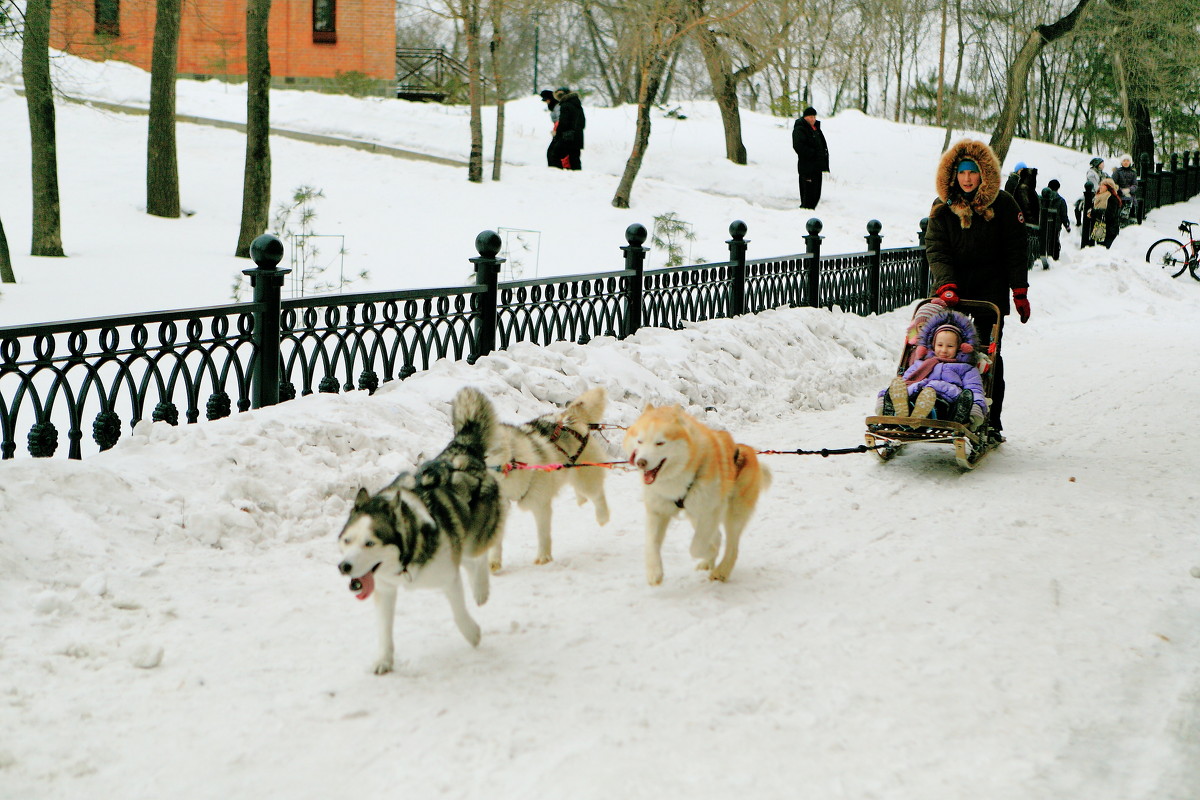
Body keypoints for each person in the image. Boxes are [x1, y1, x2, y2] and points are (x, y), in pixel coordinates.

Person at [923, 138, 1030, 444]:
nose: (967, 179)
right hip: (951, 289)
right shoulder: (942, 208)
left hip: (989, 290)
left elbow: (1015, 248)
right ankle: (935, 405)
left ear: (983, 174)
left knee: (986, 355)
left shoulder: (1004, 205)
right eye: (962, 173)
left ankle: (989, 419)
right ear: (953, 175)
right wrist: (945, 284)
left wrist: (1019, 290)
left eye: (973, 173)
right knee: (941, 347)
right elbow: (936, 248)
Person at [877, 310, 987, 427]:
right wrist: (883, 398)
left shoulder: (965, 368)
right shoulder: (921, 364)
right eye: (940, 345)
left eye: (950, 346)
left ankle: (919, 418)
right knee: (902, 389)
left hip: (947, 399)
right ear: (932, 345)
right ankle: (902, 412)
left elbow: (974, 389)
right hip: (918, 393)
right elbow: (905, 382)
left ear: (960, 347)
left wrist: (976, 407)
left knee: (946, 404)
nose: (944, 350)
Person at [791, 106, 829, 210]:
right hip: (807, 167)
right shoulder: (800, 129)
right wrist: (812, 154)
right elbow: (798, 146)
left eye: (814, 117)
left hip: (817, 167)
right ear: (805, 118)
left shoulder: (816, 129)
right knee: (808, 193)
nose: (813, 119)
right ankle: (805, 212)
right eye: (810, 117)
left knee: (816, 193)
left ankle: (811, 211)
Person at [552, 86, 585, 170]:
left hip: (567, 136)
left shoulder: (565, 105)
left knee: (554, 155)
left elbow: (563, 123)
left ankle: (557, 174)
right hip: (578, 136)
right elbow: (583, 122)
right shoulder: (577, 104)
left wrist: (558, 135)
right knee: (575, 158)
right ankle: (577, 177)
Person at [1089, 177, 1122, 249]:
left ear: (1108, 187)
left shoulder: (1112, 198)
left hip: (1109, 229)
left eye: (1102, 185)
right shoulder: (1098, 197)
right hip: (1099, 227)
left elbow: (1110, 214)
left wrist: (1093, 212)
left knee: (1103, 249)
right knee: (1100, 249)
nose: (1100, 186)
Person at [1046, 179, 1071, 259]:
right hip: (1055, 226)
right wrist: (1067, 226)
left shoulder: (1043, 198)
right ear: (1058, 188)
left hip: (1044, 224)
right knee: (1054, 241)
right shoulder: (1061, 200)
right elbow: (1064, 215)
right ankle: (1054, 257)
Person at [539, 89, 561, 169]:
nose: (547, 103)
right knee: (552, 152)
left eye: (547, 100)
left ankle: (555, 169)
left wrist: (556, 130)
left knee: (552, 153)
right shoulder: (554, 107)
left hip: (559, 132)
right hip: (558, 132)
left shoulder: (557, 107)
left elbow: (559, 120)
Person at [1112, 155, 1139, 221]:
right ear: (1121, 162)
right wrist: (1118, 189)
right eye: (1124, 161)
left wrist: (1129, 190)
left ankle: (1129, 216)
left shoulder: (1133, 173)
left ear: (1130, 162)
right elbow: (1113, 183)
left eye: (1127, 161)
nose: (1126, 162)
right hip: (1118, 192)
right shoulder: (1117, 172)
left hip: (1129, 192)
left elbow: (1135, 185)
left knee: (1129, 200)